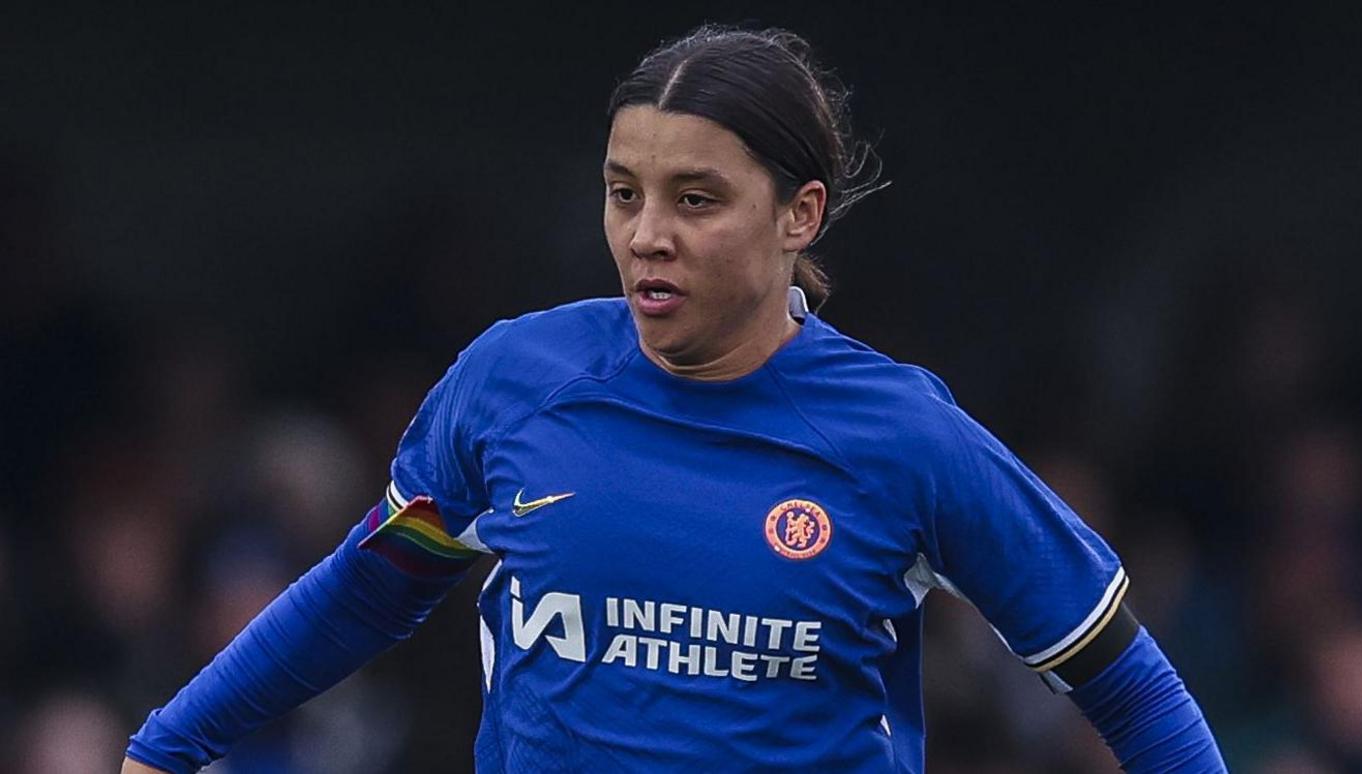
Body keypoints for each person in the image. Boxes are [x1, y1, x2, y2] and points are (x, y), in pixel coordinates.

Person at [124, 25, 1227, 773]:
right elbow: (367, 591)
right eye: (623, 194)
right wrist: (165, 747)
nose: (646, 232)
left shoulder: (903, 438)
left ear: (799, 215)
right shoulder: (514, 382)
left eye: (695, 198)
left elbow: (1126, 688)